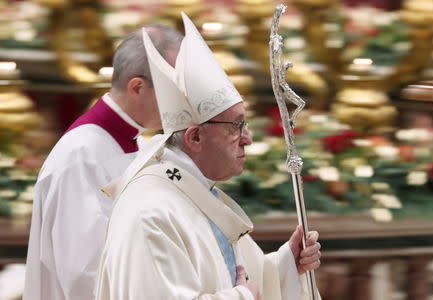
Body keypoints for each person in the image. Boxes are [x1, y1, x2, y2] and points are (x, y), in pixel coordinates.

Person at [95, 12, 321, 300]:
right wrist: (244, 298)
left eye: (246, 125)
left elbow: (233, 273)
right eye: (236, 127)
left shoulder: (196, 193)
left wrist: (288, 263)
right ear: (195, 137)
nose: (247, 139)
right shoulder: (150, 211)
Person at [23, 25, 184, 300]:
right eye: (174, 88)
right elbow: (84, 273)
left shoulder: (140, 143)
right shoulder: (80, 156)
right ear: (137, 87)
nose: (182, 99)